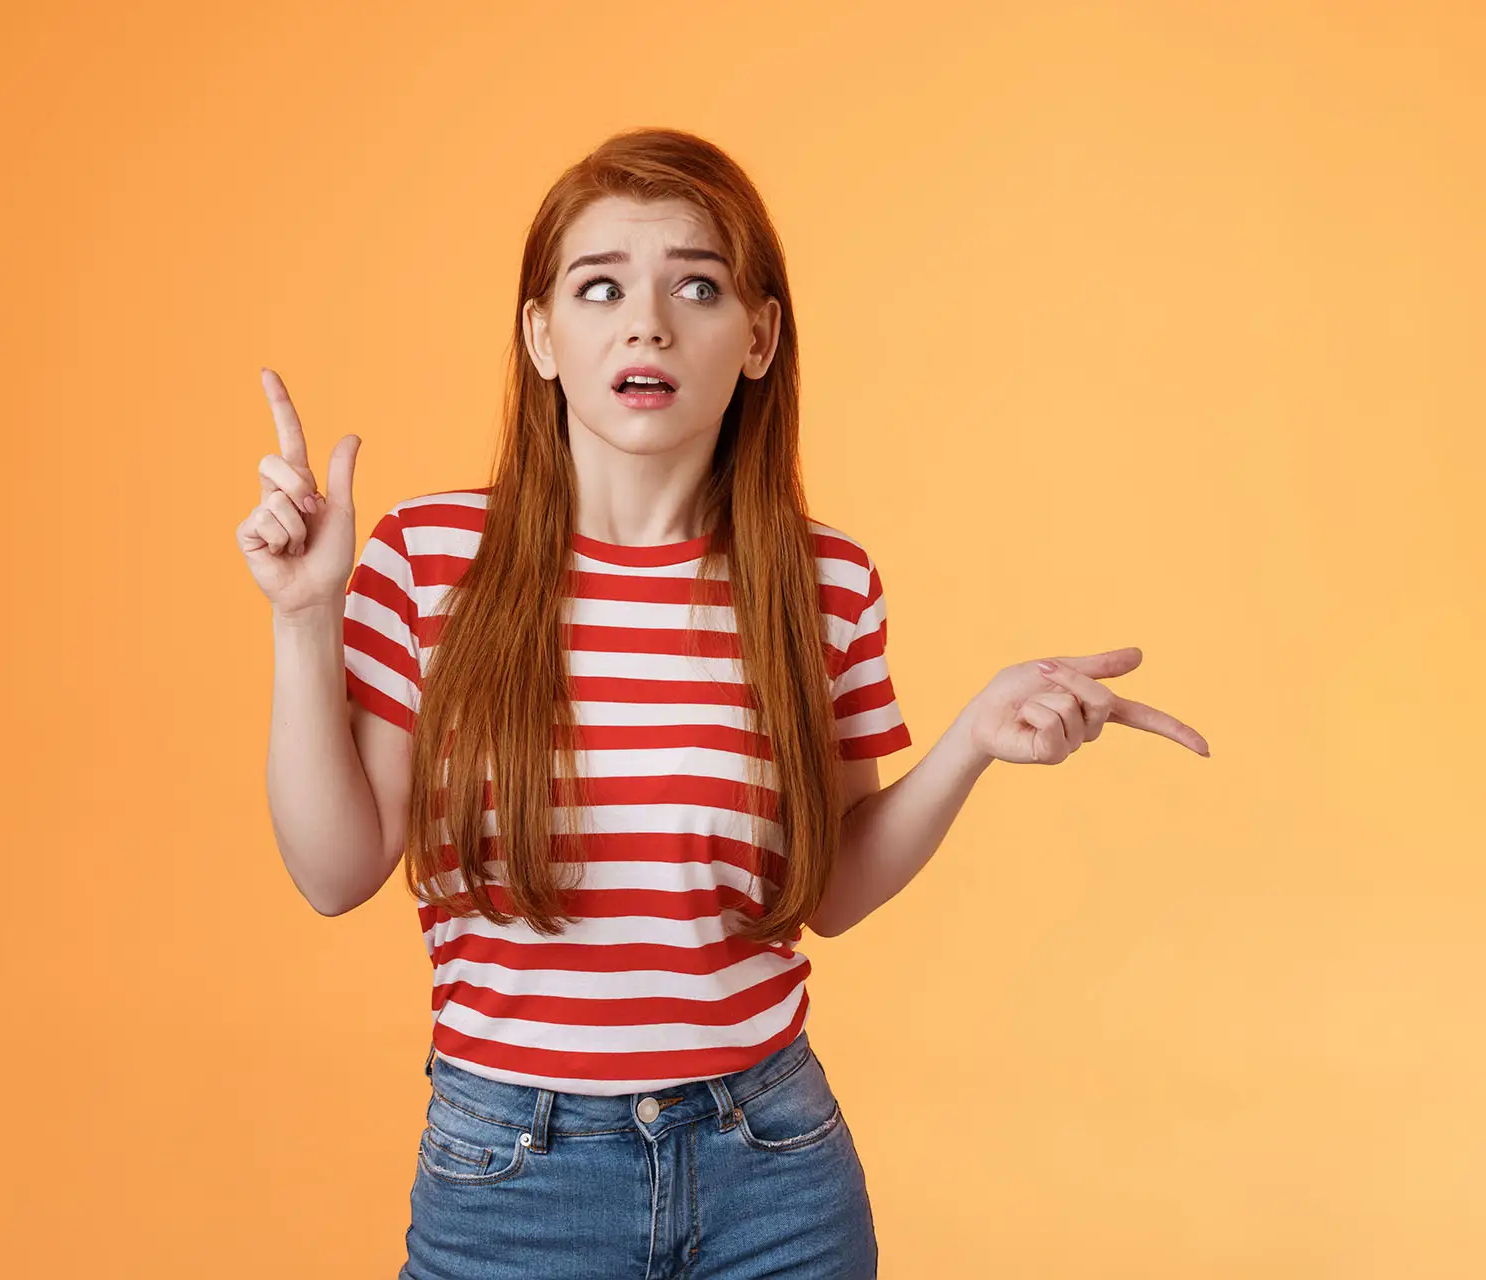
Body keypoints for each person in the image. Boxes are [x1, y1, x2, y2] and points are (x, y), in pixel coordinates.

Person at [236, 126, 1210, 1280]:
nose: (647, 321)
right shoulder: (430, 557)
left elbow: (832, 890)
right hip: (513, 1168)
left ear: (757, 336)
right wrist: (305, 617)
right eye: (600, 287)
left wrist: (973, 741)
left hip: (773, 1164)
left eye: (695, 285)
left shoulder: (821, 579)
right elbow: (332, 871)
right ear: (543, 336)